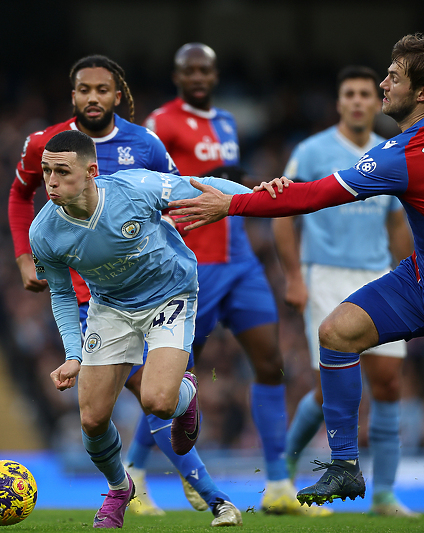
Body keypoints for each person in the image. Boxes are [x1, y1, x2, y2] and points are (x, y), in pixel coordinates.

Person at [167, 34, 424, 529]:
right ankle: (346, 466)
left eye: (394, 76)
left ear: (422, 92)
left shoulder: (401, 155)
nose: (383, 83)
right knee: (335, 333)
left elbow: (313, 197)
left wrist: (231, 203)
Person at [8, 55, 237, 522]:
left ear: (90, 173)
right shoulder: (43, 230)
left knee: (157, 399)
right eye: (47, 174)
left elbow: (197, 185)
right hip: (108, 304)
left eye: (60, 174)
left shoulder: (136, 176)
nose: (49, 184)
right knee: (91, 419)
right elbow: (58, 294)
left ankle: (191, 427)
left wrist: (252, 196)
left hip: (168, 293)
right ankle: (121, 487)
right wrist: (73, 353)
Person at [142, 42, 330, 517]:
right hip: (194, 261)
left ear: (216, 74)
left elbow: (223, 177)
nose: (199, 77)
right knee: (171, 382)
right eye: (191, 71)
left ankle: (279, 486)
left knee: (269, 364)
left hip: (241, 257)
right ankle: (137, 477)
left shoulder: (226, 121)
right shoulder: (159, 123)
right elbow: (146, 184)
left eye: (206, 69)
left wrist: (240, 178)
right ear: (177, 75)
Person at [272, 65, 417, 517]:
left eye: (364, 94)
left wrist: (407, 273)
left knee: (389, 383)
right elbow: (282, 213)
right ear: (339, 103)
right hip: (325, 275)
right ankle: (281, 476)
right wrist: (294, 276)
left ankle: (386, 496)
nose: (357, 101)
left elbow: (398, 221)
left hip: (378, 275)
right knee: (327, 384)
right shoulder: (311, 151)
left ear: (377, 103)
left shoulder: (393, 152)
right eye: (349, 94)